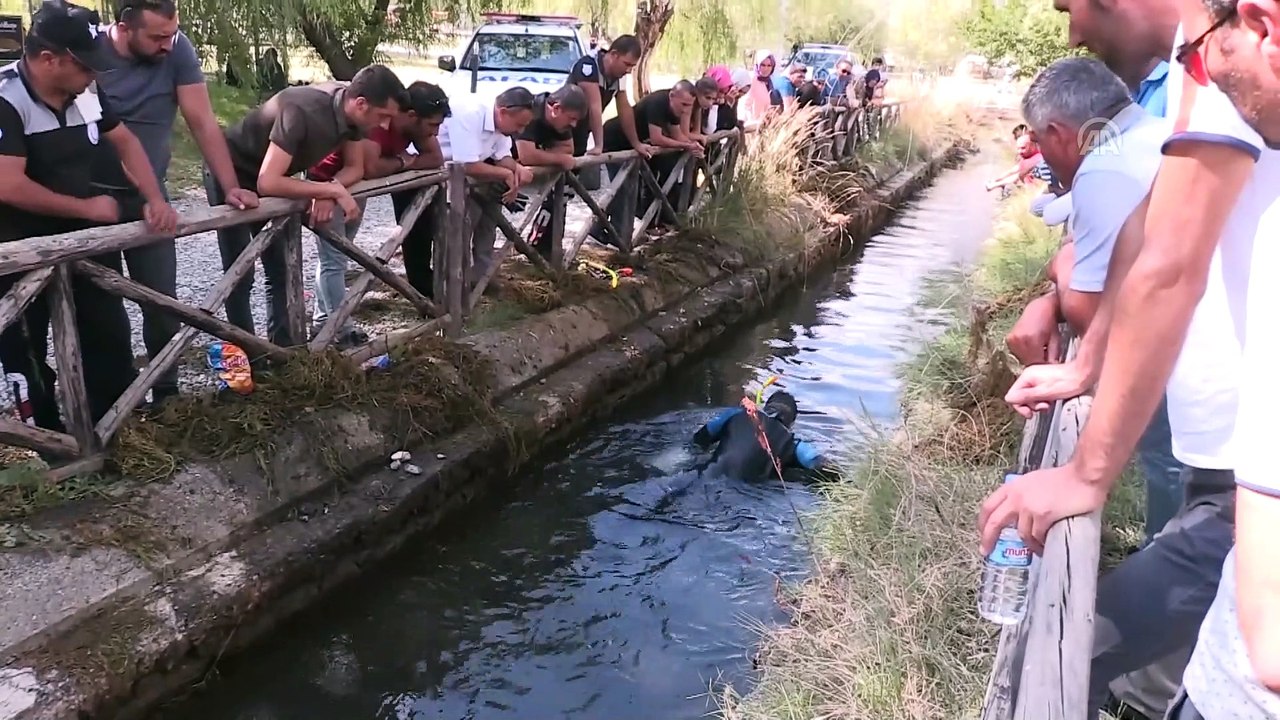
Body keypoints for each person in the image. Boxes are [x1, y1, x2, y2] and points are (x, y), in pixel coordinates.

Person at [985, 6, 1280, 720]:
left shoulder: (1223, 52)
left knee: (1085, 651)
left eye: (1070, 6)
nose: (1072, 33)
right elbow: (1152, 226)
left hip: (1249, 459)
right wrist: (1087, 369)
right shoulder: (1207, 56)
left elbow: (1170, 265)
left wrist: (1087, 474)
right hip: (1228, 445)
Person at [0, 0, 177, 436]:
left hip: (86, 243)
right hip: (18, 250)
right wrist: (89, 209)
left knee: (109, 336)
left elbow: (126, 143)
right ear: (48, 59)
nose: (94, 75)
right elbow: (8, 185)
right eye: (85, 67)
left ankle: (116, 430)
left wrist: (154, 197)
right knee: (25, 350)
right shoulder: (6, 99)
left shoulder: (86, 91)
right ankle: (48, 445)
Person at [89, 0, 258, 405]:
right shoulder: (89, 53)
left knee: (162, 301)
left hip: (153, 199)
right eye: (157, 36)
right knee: (101, 311)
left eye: (172, 33)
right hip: (92, 200)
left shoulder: (177, 47)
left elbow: (201, 119)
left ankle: (166, 395)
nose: (168, 43)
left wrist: (230, 184)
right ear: (124, 26)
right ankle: (115, 406)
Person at [213, 64, 406, 348]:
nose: (386, 126)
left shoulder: (351, 114)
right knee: (240, 274)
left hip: (278, 180)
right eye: (384, 116)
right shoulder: (302, 110)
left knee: (282, 271)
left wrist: (329, 191)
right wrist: (327, 188)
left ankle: (282, 353)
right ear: (361, 104)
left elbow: (355, 168)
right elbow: (267, 181)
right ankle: (245, 355)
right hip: (231, 173)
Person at [438, 86, 535, 285]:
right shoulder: (469, 114)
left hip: (466, 182)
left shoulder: (500, 124)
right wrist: (507, 173)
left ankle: (479, 282)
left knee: (486, 228)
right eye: (519, 124)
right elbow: (467, 164)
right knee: (457, 235)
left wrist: (517, 168)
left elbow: (502, 156)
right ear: (503, 112)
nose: (520, 131)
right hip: (438, 178)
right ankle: (452, 287)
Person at [365, 82, 450, 299]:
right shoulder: (379, 126)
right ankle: (330, 319)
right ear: (412, 115)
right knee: (336, 255)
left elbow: (435, 158)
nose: (436, 132)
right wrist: (404, 160)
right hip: (336, 185)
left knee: (421, 231)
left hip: (383, 180)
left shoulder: (415, 127)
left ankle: (426, 293)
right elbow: (371, 168)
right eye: (432, 125)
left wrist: (400, 163)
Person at [599, 81, 702, 241]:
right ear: (672, 95)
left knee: (629, 188)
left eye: (689, 106)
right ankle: (612, 232)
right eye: (683, 104)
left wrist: (692, 145)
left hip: (632, 146)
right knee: (622, 189)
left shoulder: (674, 107)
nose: (685, 110)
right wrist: (685, 145)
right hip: (615, 140)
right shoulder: (657, 103)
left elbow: (677, 135)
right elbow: (657, 138)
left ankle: (617, 233)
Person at [515, 84, 587, 260]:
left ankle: (542, 253)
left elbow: (567, 148)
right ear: (556, 109)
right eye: (571, 118)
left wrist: (542, 156)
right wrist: (559, 159)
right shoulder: (531, 111)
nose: (574, 124)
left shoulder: (560, 120)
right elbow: (526, 155)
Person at [692, 391, 826, 479]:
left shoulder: (735, 414)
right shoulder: (792, 443)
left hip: (702, 474)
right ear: (791, 423)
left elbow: (699, 438)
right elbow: (819, 464)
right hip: (739, 495)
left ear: (767, 407)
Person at [565, 34, 652, 160]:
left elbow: (625, 110)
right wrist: (598, 145)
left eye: (632, 67)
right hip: (563, 127)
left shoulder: (619, 76)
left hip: (582, 131)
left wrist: (636, 144)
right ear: (614, 55)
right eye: (626, 64)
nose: (628, 70)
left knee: (575, 169)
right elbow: (594, 106)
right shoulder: (588, 66)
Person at [741, 49, 779, 124]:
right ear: (757, 65)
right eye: (763, 65)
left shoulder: (770, 81)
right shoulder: (752, 79)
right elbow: (746, 105)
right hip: (752, 125)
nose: (766, 69)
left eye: (769, 65)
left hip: (766, 123)